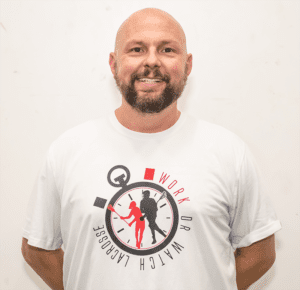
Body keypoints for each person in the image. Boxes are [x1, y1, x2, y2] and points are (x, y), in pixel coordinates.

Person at [21, 7, 282, 290]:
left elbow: (260, 253)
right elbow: (38, 250)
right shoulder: (68, 151)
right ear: (113, 63)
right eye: (136, 49)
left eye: (168, 50)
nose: (152, 61)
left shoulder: (229, 152)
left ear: (187, 65)